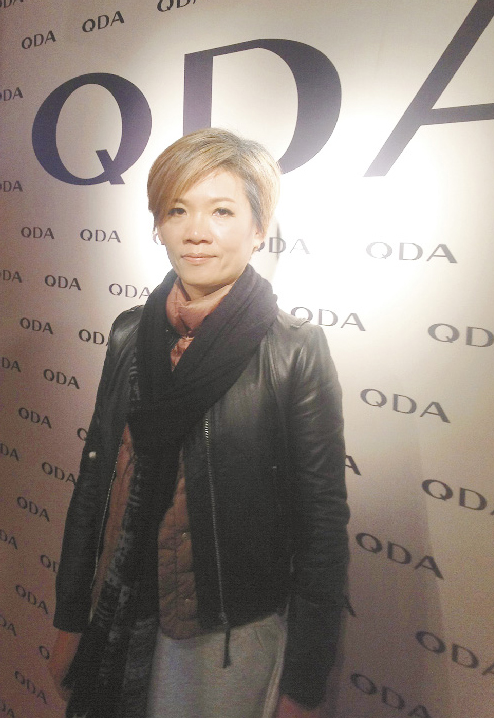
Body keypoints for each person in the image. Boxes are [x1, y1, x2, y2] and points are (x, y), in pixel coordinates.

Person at [49, 128, 349, 718]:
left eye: (222, 211)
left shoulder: (294, 350)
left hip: (227, 635)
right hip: (121, 605)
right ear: (158, 225)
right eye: (177, 210)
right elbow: (94, 484)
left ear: (258, 228)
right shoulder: (130, 334)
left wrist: (304, 684)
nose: (196, 231)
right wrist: (69, 617)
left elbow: (321, 527)